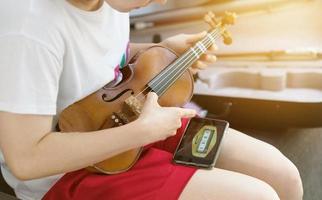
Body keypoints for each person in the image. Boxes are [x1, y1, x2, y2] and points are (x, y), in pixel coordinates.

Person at [0, 0, 303, 199]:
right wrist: (141, 132)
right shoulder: (28, 29)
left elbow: (93, 58)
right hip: (70, 172)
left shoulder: (107, 3)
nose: (158, 1)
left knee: (283, 176)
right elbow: (26, 160)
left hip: (130, 116)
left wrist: (157, 52)